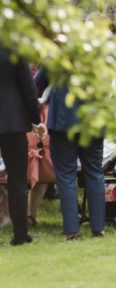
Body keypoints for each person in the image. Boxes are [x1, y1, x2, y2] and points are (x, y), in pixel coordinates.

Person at [34, 73, 106, 240]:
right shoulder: (100, 50)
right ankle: (98, 227)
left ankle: (72, 229)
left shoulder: (56, 52)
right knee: (95, 173)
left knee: (66, 175)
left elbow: (38, 82)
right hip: (93, 118)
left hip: (62, 119)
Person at [0, 47, 43, 246]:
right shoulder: (13, 50)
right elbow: (28, 88)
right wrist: (36, 119)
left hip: (12, 122)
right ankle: (20, 234)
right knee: (17, 180)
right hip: (12, 122)